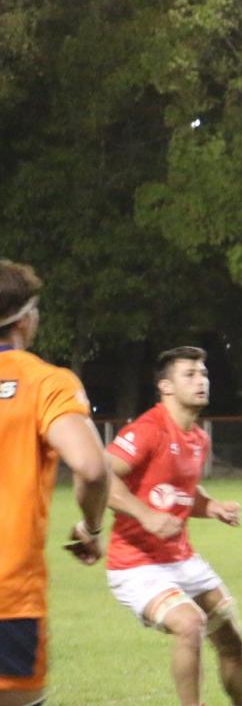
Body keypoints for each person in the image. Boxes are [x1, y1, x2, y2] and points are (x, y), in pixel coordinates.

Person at [104, 346, 242, 706]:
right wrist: (145, 515)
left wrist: (211, 506)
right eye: (190, 374)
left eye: (203, 374)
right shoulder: (147, 430)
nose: (201, 381)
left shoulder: (197, 438)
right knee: (190, 625)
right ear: (165, 387)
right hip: (136, 563)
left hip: (181, 559)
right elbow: (99, 477)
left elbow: (180, 493)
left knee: (231, 636)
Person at [0, 260, 111, 706]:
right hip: (8, 594)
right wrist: (91, 528)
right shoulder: (45, 381)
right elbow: (91, 467)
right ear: (26, 319)